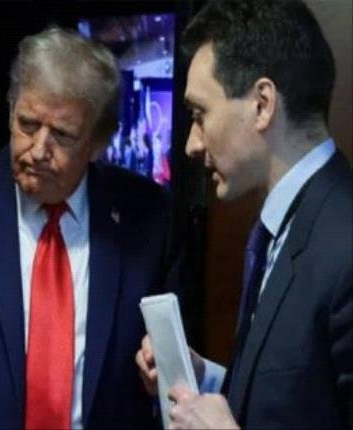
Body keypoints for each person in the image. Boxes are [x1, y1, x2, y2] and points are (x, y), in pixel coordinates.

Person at [0, 27, 175, 429]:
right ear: (10, 111)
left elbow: (169, 356)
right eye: (27, 124)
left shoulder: (147, 216)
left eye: (62, 135)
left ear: (97, 143)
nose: (38, 150)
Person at [135, 0, 352, 428]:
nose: (192, 144)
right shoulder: (284, 227)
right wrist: (206, 379)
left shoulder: (343, 244)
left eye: (200, 114)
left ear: (262, 104)